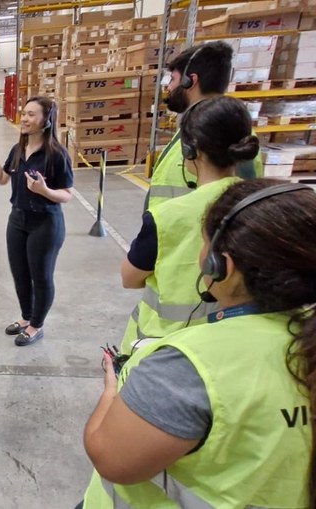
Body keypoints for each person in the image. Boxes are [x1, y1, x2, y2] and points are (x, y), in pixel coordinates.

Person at [82, 179, 315, 507]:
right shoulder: (304, 338)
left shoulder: (190, 366)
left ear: (222, 266)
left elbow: (109, 457)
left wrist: (111, 392)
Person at [120, 97, 260, 353]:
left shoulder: (167, 216)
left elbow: (129, 277)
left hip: (164, 347)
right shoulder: (263, 206)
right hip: (234, 346)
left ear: (190, 150)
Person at [0, 96, 74, 346]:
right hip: (18, 219)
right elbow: (2, 179)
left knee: (41, 276)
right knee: (20, 273)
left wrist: (44, 191)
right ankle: (26, 317)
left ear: (46, 120)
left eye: (32, 114)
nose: (24, 118)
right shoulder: (18, 149)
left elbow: (66, 195)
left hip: (45, 222)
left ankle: (37, 325)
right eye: (24, 113)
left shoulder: (56, 154)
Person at [147, 41, 262, 210]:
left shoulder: (229, 131)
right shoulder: (196, 126)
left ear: (190, 81)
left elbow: (243, 202)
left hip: (189, 232)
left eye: (173, 79)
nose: (169, 86)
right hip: (168, 229)